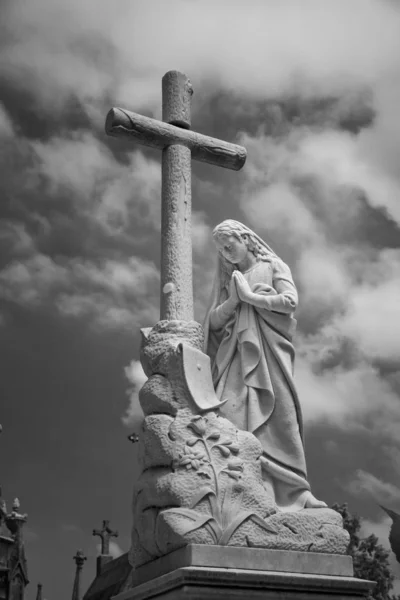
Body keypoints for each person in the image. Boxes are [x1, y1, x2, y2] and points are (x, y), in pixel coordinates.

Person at [204, 219, 326, 511]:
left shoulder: (273, 266)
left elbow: (289, 301)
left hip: (269, 354)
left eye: (228, 243)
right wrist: (234, 300)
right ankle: (244, 485)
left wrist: (251, 298)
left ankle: (294, 491)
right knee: (230, 416)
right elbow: (214, 322)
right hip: (235, 354)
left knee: (278, 416)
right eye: (220, 249)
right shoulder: (229, 279)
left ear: (246, 238)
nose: (225, 252)